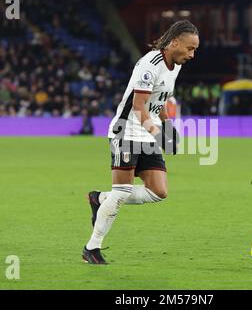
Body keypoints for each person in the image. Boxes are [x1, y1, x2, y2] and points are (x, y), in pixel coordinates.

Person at [82, 20, 200, 264]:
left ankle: (100, 199)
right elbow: (138, 108)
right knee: (122, 192)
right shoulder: (150, 65)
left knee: (159, 191)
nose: (192, 54)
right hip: (126, 131)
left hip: (147, 132)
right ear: (175, 42)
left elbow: (161, 101)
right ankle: (91, 249)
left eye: (194, 49)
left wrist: (168, 128)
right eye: (190, 48)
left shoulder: (174, 66)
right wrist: (159, 134)